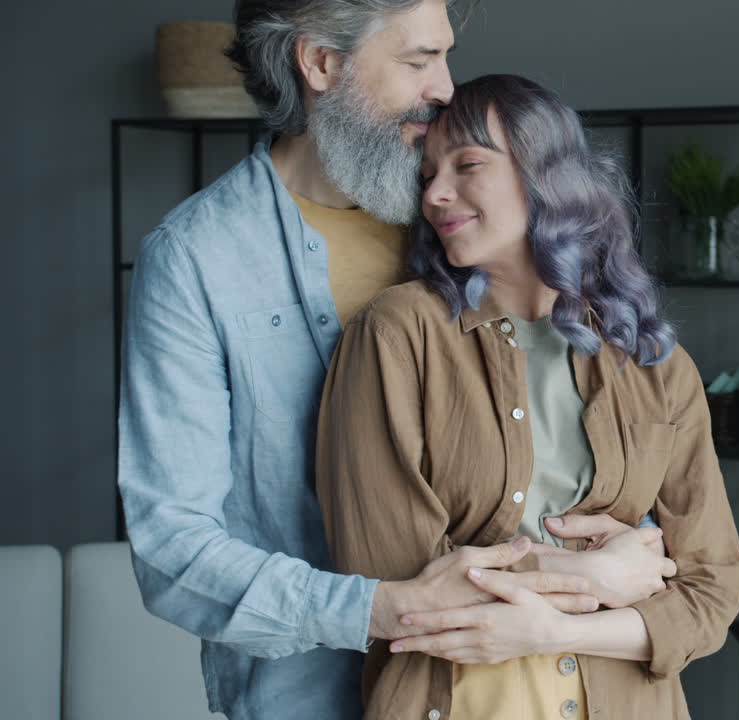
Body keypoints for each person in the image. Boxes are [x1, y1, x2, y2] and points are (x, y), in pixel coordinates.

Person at [117, 2, 665, 718]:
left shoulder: (466, 219)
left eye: (444, 56)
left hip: (517, 692)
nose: (444, 86)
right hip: (305, 701)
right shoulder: (196, 260)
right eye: (417, 60)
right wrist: (383, 609)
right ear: (320, 64)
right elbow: (173, 551)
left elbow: (579, 424)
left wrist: (632, 544)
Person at [315, 73, 739, 720]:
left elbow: (712, 593)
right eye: (426, 172)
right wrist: (596, 577)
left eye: (467, 165)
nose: (435, 193)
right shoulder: (398, 336)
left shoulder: (658, 367)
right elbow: (391, 580)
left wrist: (558, 630)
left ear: (546, 176)